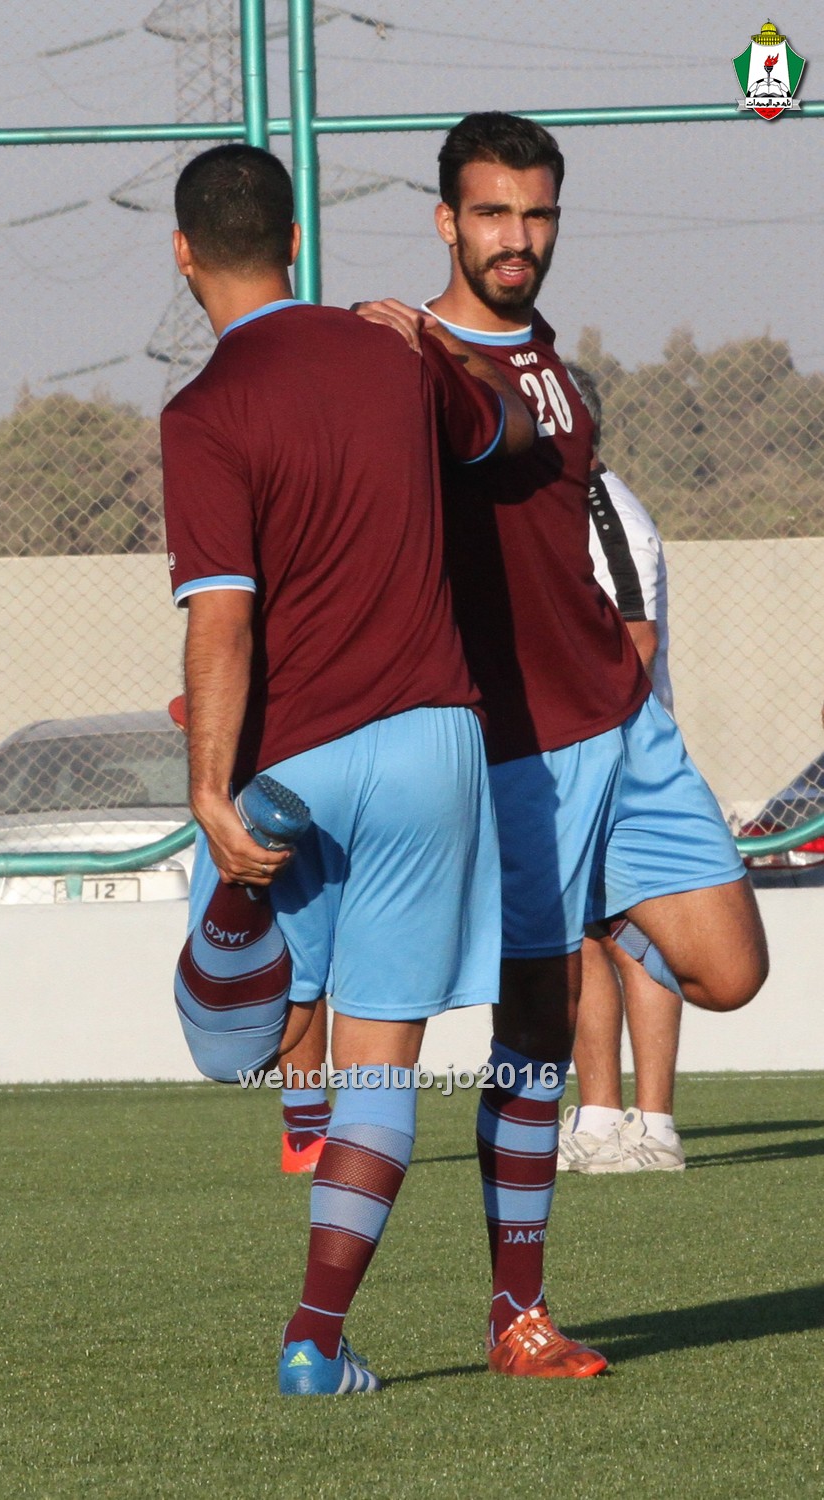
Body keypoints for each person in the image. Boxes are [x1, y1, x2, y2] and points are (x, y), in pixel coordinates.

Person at [356, 111, 768, 1380]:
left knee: (729, 971)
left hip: (624, 720)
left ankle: (589, 903)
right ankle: (516, 1314)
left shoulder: (551, 365)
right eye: (491, 213)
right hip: (519, 748)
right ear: (446, 221)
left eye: (535, 214)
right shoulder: (405, 365)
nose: (516, 237)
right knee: (533, 1025)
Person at [160, 143, 534, 1397]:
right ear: (294, 242)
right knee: (381, 1067)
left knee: (246, 1043)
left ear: (182, 255)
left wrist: (208, 788)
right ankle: (314, 1342)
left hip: (297, 754)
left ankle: (239, 903)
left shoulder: (202, 411)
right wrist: (443, 351)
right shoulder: (390, 350)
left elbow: (224, 618)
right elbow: (509, 427)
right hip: (434, 744)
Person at [557, 363, 685, 1174]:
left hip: (624, 755)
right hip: (570, 757)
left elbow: (635, 640)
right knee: (579, 936)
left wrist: (582, 742)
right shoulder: (545, 509)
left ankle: (656, 1125)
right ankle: (600, 1117)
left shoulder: (607, 511)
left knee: (641, 937)